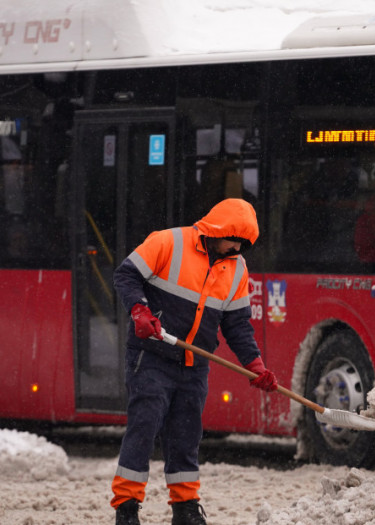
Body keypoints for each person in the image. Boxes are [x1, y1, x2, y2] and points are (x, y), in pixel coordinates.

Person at [110, 198, 278, 525]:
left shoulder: (237, 267)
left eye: (243, 244)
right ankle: (127, 506)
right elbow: (126, 275)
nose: (236, 248)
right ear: (219, 230)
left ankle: (185, 507)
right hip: (152, 355)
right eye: (233, 239)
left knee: (186, 436)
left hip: (193, 365)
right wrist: (139, 310)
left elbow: (237, 324)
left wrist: (255, 365)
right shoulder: (168, 242)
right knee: (145, 425)